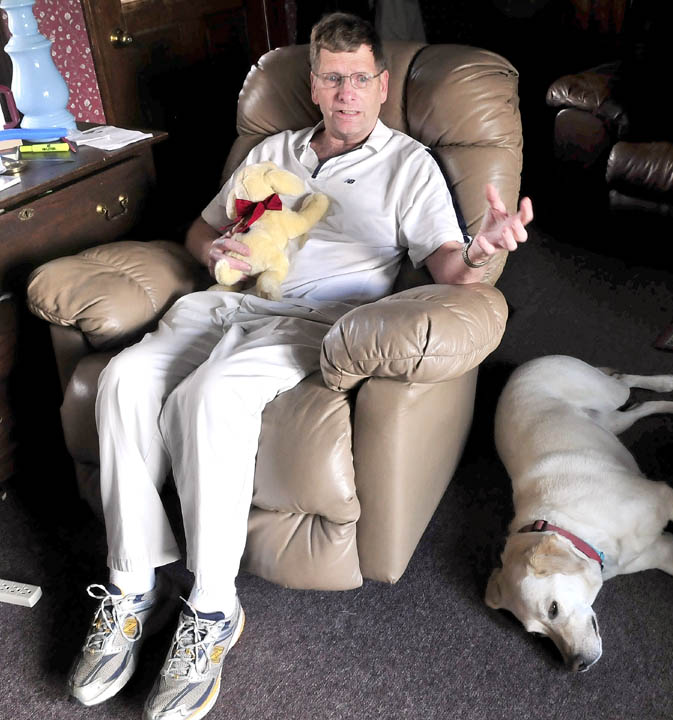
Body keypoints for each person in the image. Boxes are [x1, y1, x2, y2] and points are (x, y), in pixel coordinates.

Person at [67, 12, 533, 720]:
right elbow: (201, 229)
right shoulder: (271, 151)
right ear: (313, 85)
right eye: (332, 78)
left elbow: (447, 266)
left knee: (208, 397)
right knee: (123, 380)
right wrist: (213, 252)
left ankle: (212, 610)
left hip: (311, 322)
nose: (347, 93)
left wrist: (482, 250)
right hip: (224, 305)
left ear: (382, 86)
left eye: (360, 79)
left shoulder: (408, 164)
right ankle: (132, 588)